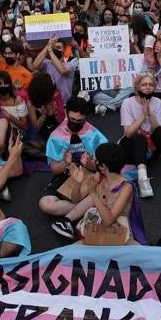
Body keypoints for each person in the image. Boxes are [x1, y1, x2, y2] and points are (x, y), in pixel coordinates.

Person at [42, 96, 109, 240]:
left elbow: (103, 166)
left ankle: (70, 218)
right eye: (72, 120)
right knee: (46, 204)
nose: (76, 124)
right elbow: (54, 169)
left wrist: (89, 164)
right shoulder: (56, 135)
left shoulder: (93, 133)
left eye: (80, 121)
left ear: (85, 118)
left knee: (102, 185)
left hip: (89, 175)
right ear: (66, 113)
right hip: (66, 176)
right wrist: (66, 163)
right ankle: (91, 207)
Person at [119, 72, 161, 197]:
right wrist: (143, 115)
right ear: (137, 87)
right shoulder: (127, 103)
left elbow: (156, 129)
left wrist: (149, 114)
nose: (148, 87)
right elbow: (128, 133)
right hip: (132, 146)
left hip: (151, 147)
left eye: (151, 85)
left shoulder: (157, 102)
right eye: (144, 85)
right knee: (139, 137)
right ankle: (143, 179)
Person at [72, 142, 147, 245]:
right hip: (97, 231)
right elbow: (75, 199)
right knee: (71, 250)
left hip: (119, 236)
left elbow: (109, 220)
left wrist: (93, 194)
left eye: (96, 159)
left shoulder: (126, 187)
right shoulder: (98, 178)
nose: (94, 161)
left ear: (103, 166)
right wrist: (77, 183)